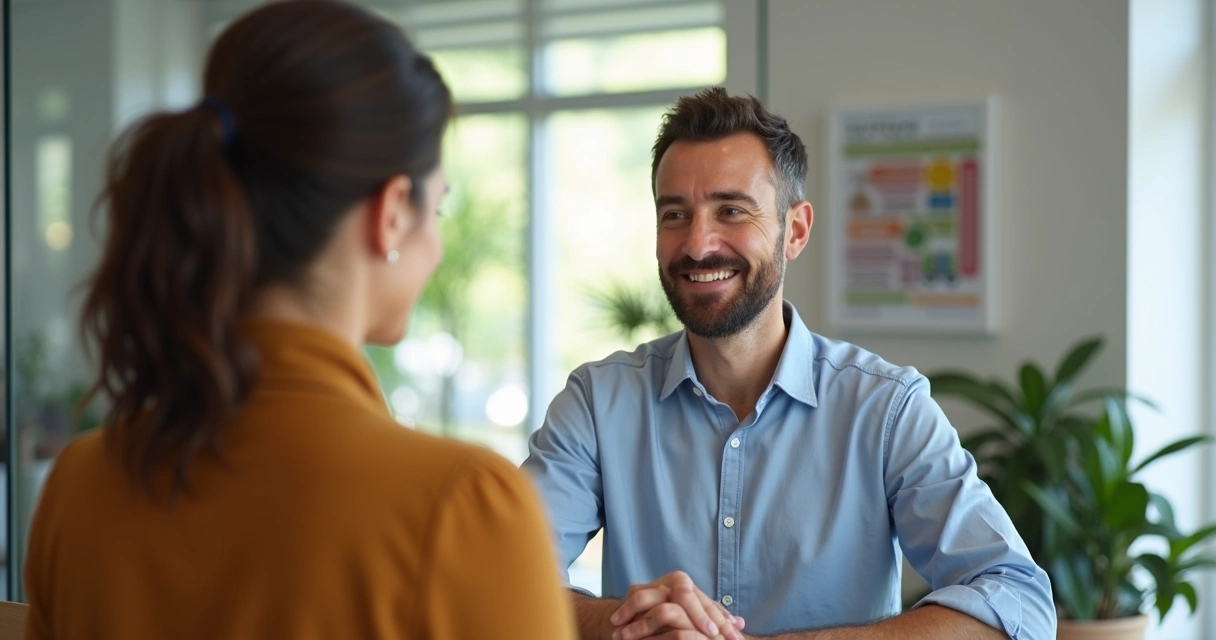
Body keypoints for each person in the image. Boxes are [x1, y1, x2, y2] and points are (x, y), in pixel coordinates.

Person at [23, 2, 576, 639]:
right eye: (438, 209)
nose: (437, 244)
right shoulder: (464, 505)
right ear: (393, 212)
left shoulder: (81, 487)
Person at [521, 88, 1054, 640]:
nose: (698, 244)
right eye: (674, 214)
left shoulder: (885, 409)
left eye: (731, 210)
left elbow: (1019, 601)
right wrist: (632, 626)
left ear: (794, 231)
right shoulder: (597, 403)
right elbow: (492, 579)